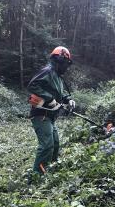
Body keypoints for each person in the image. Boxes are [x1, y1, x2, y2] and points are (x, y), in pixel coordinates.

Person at [27, 46, 75, 175]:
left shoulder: (58, 77)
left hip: (51, 116)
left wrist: (68, 99)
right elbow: (32, 85)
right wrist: (49, 99)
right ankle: (36, 176)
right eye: (65, 63)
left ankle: (51, 170)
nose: (66, 66)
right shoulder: (48, 71)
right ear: (59, 60)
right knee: (47, 145)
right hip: (41, 114)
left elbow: (59, 94)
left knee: (55, 144)